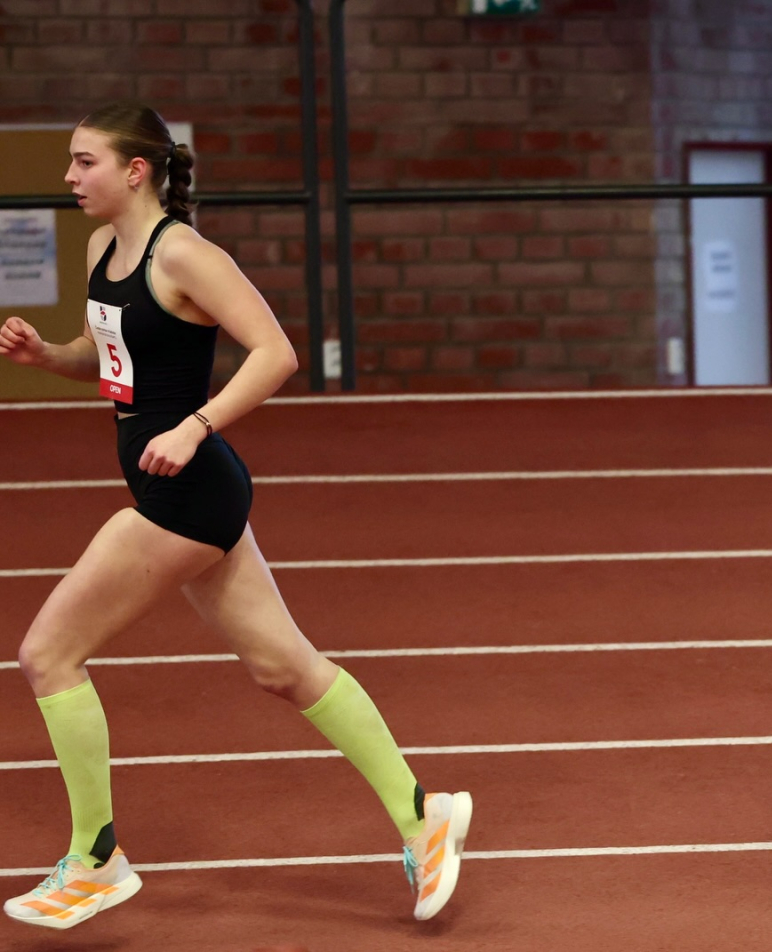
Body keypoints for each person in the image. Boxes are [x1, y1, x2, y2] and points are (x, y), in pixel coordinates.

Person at [0, 102, 470, 930]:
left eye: (84, 162)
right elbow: (110, 363)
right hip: (173, 485)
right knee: (284, 668)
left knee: (48, 653)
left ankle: (97, 859)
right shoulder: (103, 248)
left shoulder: (184, 253)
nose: (69, 177)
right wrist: (48, 356)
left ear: (135, 171)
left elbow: (276, 352)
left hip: (188, 490)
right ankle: (422, 813)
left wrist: (195, 425)